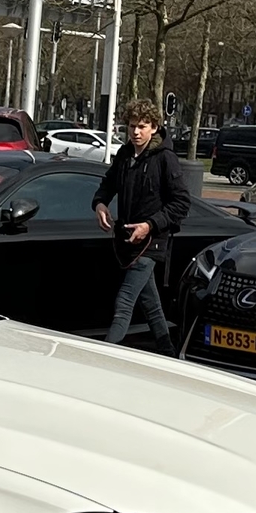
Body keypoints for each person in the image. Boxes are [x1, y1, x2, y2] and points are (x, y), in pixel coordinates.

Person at [92, 99, 189, 350]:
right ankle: (169, 353)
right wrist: (100, 203)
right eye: (132, 126)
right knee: (151, 304)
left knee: (124, 301)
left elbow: (181, 203)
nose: (135, 132)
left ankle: (105, 356)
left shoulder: (166, 158)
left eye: (142, 126)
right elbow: (108, 184)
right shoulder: (124, 154)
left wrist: (150, 225)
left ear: (154, 128)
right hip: (126, 241)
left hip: (152, 242)